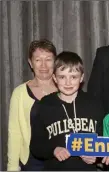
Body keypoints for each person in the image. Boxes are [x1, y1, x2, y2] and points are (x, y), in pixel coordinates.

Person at [30, 51, 104, 170]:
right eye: (62, 77)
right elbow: (35, 145)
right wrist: (53, 150)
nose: (68, 82)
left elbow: (104, 139)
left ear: (82, 78)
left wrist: (97, 156)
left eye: (73, 77)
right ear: (54, 78)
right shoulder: (45, 104)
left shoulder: (94, 104)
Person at [7, 39, 58, 171]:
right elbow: (14, 134)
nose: (43, 65)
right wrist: (12, 168)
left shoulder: (66, 89)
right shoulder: (19, 93)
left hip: (61, 159)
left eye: (48, 59)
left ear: (55, 61)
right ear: (30, 63)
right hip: (31, 162)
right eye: (38, 60)